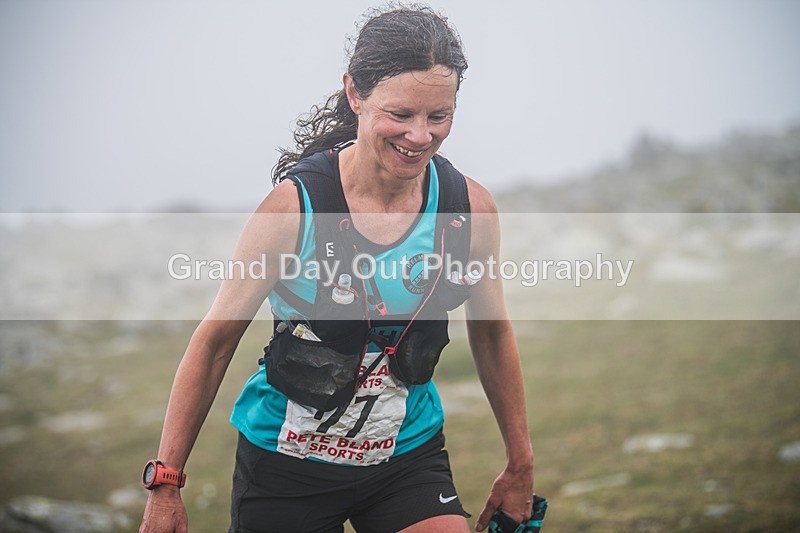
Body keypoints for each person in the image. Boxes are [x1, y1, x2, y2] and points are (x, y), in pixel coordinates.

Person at [139, 6, 534, 533]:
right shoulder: (293, 210)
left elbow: (491, 334)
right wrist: (166, 483)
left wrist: (520, 463)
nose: (421, 136)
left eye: (438, 116)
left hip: (406, 459)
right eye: (401, 114)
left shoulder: (468, 209)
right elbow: (213, 344)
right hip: (285, 469)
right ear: (355, 93)